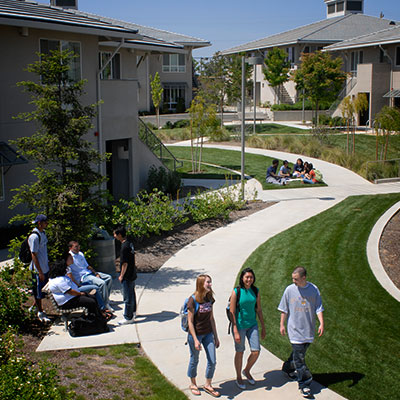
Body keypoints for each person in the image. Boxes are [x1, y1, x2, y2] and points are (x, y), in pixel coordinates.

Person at [278, 266, 324, 398]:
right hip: (294, 330)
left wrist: (321, 322)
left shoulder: (313, 289)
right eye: (293, 278)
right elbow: (284, 308)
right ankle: (304, 383)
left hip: (308, 330)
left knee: (299, 355)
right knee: (300, 359)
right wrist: (282, 324)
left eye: (296, 279)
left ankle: (287, 367)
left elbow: (318, 307)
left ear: (304, 278)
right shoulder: (289, 290)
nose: (293, 281)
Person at [229, 267, 266, 389]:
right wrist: (235, 329)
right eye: (247, 277)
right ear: (242, 278)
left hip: (252, 324)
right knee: (240, 352)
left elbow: (258, 309)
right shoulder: (236, 291)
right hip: (239, 325)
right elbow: (232, 311)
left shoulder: (255, 291)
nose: (249, 279)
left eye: (251, 277)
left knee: (256, 351)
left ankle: (247, 370)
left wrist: (263, 326)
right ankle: (239, 376)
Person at [187, 274, 220, 397]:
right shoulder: (193, 300)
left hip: (208, 334)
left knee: (212, 360)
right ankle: (193, 383)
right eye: (208, 282)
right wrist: (195, 340)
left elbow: (211, 319)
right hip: (195, 335)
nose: (210, 284)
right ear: (201, 284)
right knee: (194, 359)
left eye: (210, 282)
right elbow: (190, 321)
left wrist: (216, 336)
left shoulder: (210, 298)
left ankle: (208, 384)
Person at [66, 241, 114, 312]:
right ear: (70, 248)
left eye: (78, 246)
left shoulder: (80, 254)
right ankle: (105, 304)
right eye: (76, 247)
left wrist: (95, 273)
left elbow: (87, 266)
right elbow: (69, 274)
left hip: (89, 273)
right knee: (102, 283)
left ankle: (106, 298)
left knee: (108, 278)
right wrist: (77, 284)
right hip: (83, 277)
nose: (78, 248)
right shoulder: (69, 257)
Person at [29, 214, 51, 323]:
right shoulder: (34, 236)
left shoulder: (43, 233)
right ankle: (40, 312)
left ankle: (34, 307)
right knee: (38, 292)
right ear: (39, 223)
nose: (47, 224)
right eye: (45, 222)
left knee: (42, 291)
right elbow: (34, 254)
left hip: (44, 267)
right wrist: (40, 272)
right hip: (38, 270)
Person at [113, 226, 137, 325]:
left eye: (115, 234)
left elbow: (124, 263)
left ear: (119, 235)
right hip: (132, 273)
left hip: (127, 275)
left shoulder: (124, 247)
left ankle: (128, 317)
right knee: (132, 293)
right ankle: (133, 311)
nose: (114, 236)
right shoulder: (129, 243)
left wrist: (121, 275)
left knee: (127, 296)